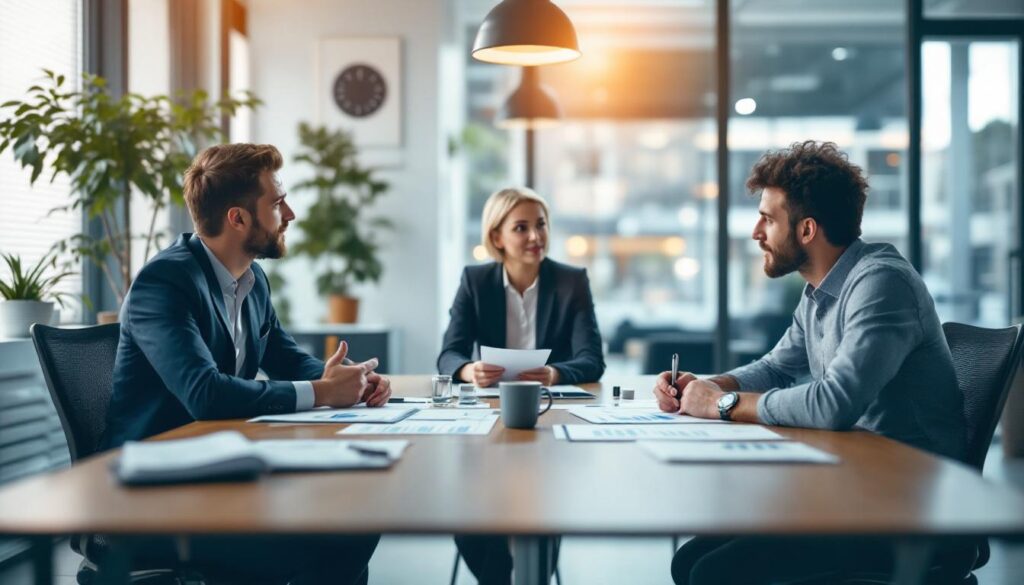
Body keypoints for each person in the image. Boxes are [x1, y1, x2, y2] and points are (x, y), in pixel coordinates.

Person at [654, 141, 968, 585]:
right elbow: (777, 368)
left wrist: (722, 404)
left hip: (906, 506)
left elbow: (833, 404)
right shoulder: (821, 291)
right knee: (690, 561)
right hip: (853, 488)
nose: (755, 232)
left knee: (712, 572)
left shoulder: (880, 284)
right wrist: (703, 386)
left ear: (806, 230)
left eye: (767, 218)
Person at [100, 143, 389, 584]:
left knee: (354, 518)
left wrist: (350, 381)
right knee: (336, 533)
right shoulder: (164, 282)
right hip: (154, 495)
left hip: (219, 468)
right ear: (237, 218)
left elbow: (284, 356)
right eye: (276, 202)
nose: (289, 214)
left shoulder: (252, 281)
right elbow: (205, 394)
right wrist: (323, 392)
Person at [438, 187, 605, 584]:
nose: (535, 237)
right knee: (471, 505)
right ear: (497, 237)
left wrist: (556, 373)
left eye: (541, 225)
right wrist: (468, 371)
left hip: (549, 415)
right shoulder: (475, 280)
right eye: (521, 227)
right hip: (489, 418)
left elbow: (592, 359)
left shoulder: (571, 281)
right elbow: (449, 353)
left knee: (544, 501)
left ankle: (534, 575)